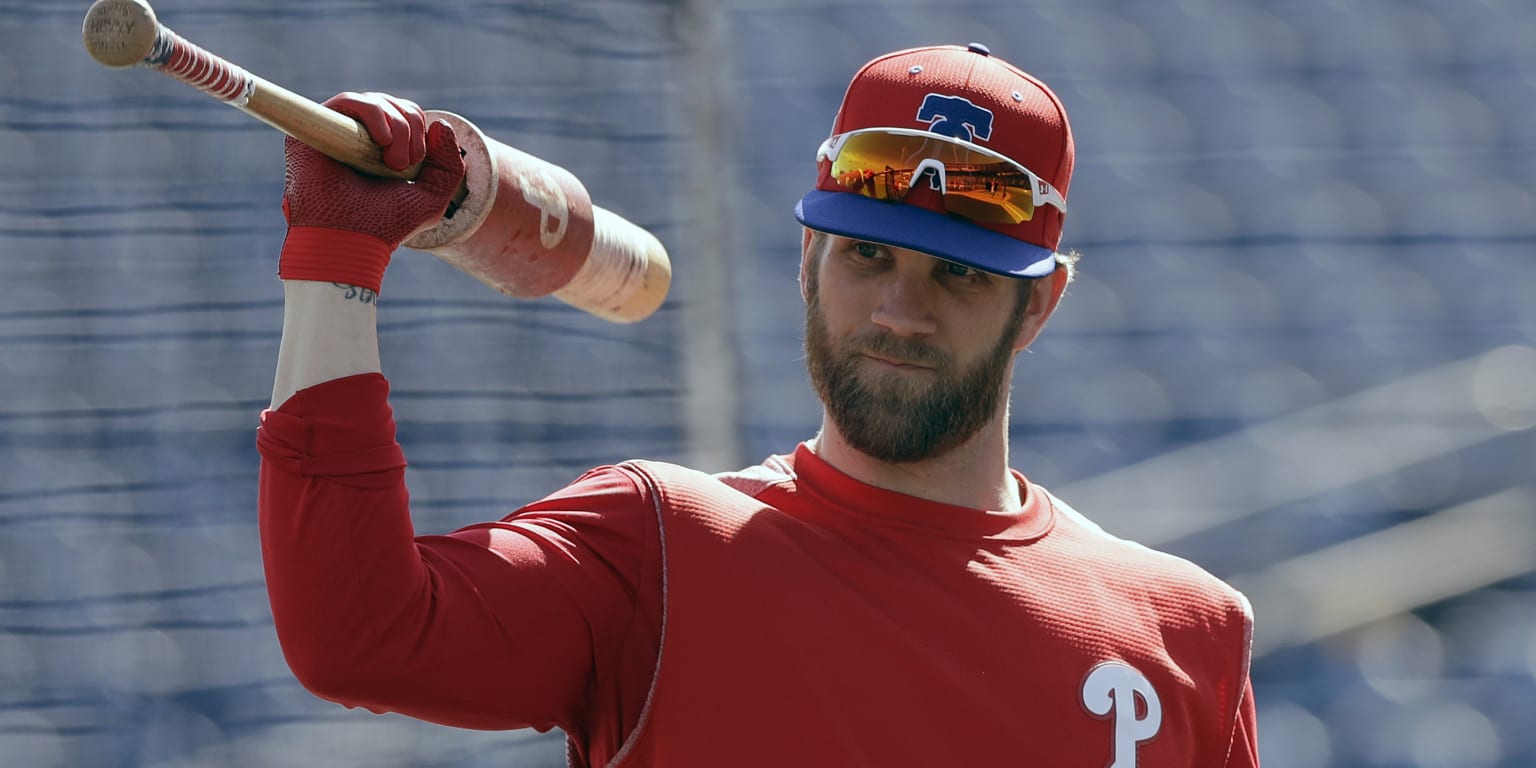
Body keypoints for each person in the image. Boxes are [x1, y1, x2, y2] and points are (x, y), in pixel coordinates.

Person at [257, 43, 1260, 767]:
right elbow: (360, 636)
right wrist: (336, 259)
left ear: (1037, 304)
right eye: (868, 255)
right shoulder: (658, 548)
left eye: (958, 275)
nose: (901, 310)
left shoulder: (1184, 631)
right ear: (810, 259)